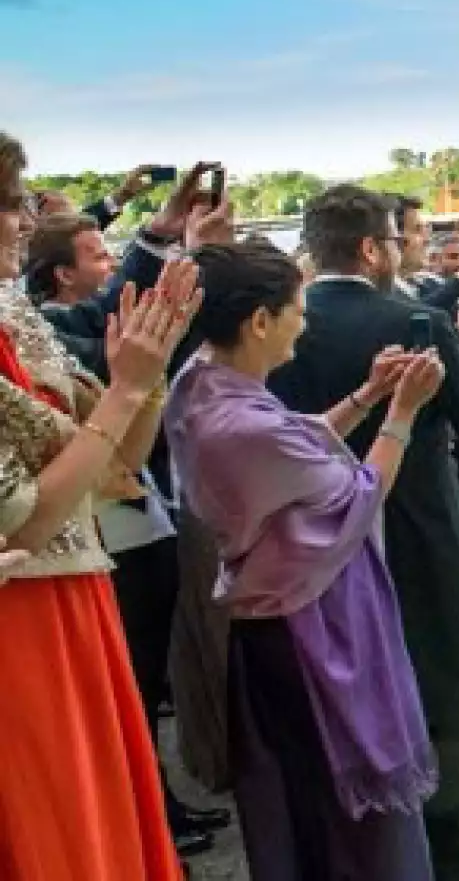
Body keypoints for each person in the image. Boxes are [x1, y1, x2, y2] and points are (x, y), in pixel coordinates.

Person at [167, 242, 443, 880]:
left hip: (275, 628)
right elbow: (360, 494)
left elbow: (297, 448)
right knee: (346, 821)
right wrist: (401, 415)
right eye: (296, 308)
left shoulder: (201, 384)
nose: (305, 320)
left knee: (302, 813)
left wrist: (369, 395)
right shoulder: (241, 425)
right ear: (259, 321)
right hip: (309, 632)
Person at [267, 185, 459, 881]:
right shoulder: (416, 319)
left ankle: (374, 850)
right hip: (416, 523)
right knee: (436, 683)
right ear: (373, 248)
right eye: (398, 239)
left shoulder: (281, 325)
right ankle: (453, 851)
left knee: (345, 692)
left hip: (314, 533)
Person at [0, 130, 197, 881]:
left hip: (78, 595)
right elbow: (27, 517)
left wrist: (141, 378)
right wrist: (124, 391)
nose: (25, 219)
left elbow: (115, 462)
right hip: (26, 617)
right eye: (14, 204)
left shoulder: (18, 321)